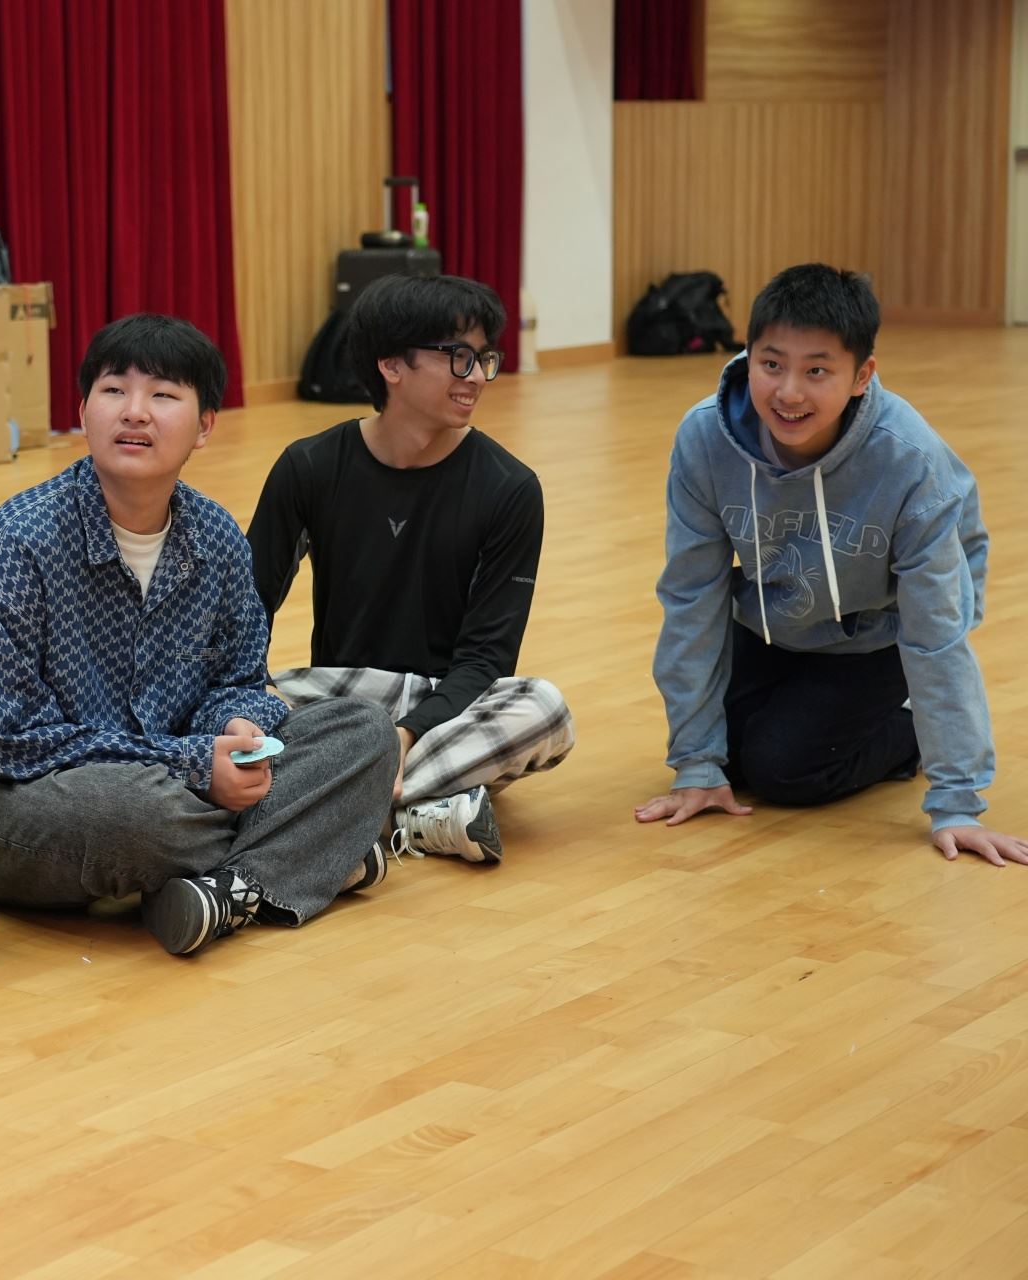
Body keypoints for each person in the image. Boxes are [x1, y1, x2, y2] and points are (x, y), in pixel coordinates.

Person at [0, 314, 398, 957]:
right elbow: (5, 743)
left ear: (205, 426)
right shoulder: (20, 541)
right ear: (83, 413)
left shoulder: (216, 538)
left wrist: (239, 727)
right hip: (8, 799)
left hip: (169, 778)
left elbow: (239, 679)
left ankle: (224, 890)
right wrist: (194, 765)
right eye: (114, 390)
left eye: (163, 394)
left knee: (363, 730)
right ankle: (305, 852)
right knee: (133, 814)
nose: (134, 411)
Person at [640, 262, 1025, 867]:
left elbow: (936, 633)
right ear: (748, 356)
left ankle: (906, 729)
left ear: (861, 376)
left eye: (817, 371)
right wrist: (695, 763)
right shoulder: (705, 439)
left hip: (878, 636)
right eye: (772, 365)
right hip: (774, 620)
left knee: (783, 769)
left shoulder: (907, 460)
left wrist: (956, 802)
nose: (789, 393)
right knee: (728, 754)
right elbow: (692, 597)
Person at [248, 274, 573, 865]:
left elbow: (487, 660)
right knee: (243, 700)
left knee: (544, 710)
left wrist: (407, 733)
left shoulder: (510, 488)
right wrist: (243, 709)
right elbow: (248, 610)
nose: (477, 377)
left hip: (446, 708)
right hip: (341, 696)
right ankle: (420, 813)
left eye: (484, 359)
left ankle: (326, 803)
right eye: (458, 357)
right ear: (391, 364)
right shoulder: (310, 467)